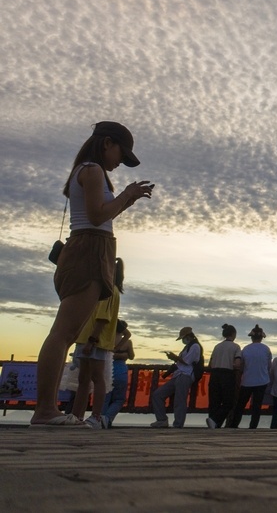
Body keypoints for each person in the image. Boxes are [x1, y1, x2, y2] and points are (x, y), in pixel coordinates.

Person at [30, 122, 152, 427]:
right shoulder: (93, 170)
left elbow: (99, 215)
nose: (119, 163)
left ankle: (47, 409)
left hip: (89, 247)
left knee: (66, 334)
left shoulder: (86, 171)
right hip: (89, 249)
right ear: (107, 143)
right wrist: (125, 194)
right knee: (63, 333)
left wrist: (127, 199)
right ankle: (45, 410)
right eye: (120, 155)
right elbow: (97, 216)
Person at [69, 255, 123, 428]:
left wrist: (91, 340)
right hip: (86, 339)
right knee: (83, 379)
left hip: (96, 340)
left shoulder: (109, 291)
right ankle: (76, 416)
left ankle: (96, 416)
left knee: (96, 378)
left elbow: (102, 318)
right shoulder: (102, 290)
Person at [150, 327, 202, 428]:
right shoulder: (187, 347)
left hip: (186, 375)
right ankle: (162, 420)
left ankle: (178, 424)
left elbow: (187, 361)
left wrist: (174, 357)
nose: (182, 340)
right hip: (178, 375)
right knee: (157, 395)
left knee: (180, 401)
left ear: (188, 337)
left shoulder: (195, 346)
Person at [232, 324, 272, 429]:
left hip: (247, 381)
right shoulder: (266, 349)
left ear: (252, 337)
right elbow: (269, 366)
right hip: (262, 381)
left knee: (240, 405)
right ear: (261, 338)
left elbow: (241, 366)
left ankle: (234, 425)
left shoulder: (245, 349)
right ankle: (253, 426)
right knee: (257, 406)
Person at [206, 324, 243, 429]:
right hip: (227, 374)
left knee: (214, 401)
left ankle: (213, 422)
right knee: (228, 402)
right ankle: (215, 420)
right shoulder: (235, 347)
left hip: (214, 374)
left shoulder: (217, 346)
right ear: (233, 334)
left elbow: (210, 364)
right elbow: (237, 364)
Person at [103, 318, 133, 428]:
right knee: (119, 399)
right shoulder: (127, 342)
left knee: (105, 398)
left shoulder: (107, 339)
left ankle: (101, 418)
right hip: (121, 372)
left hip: (107, 370)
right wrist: (123, 355)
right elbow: (132, 356)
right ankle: (108, 418)